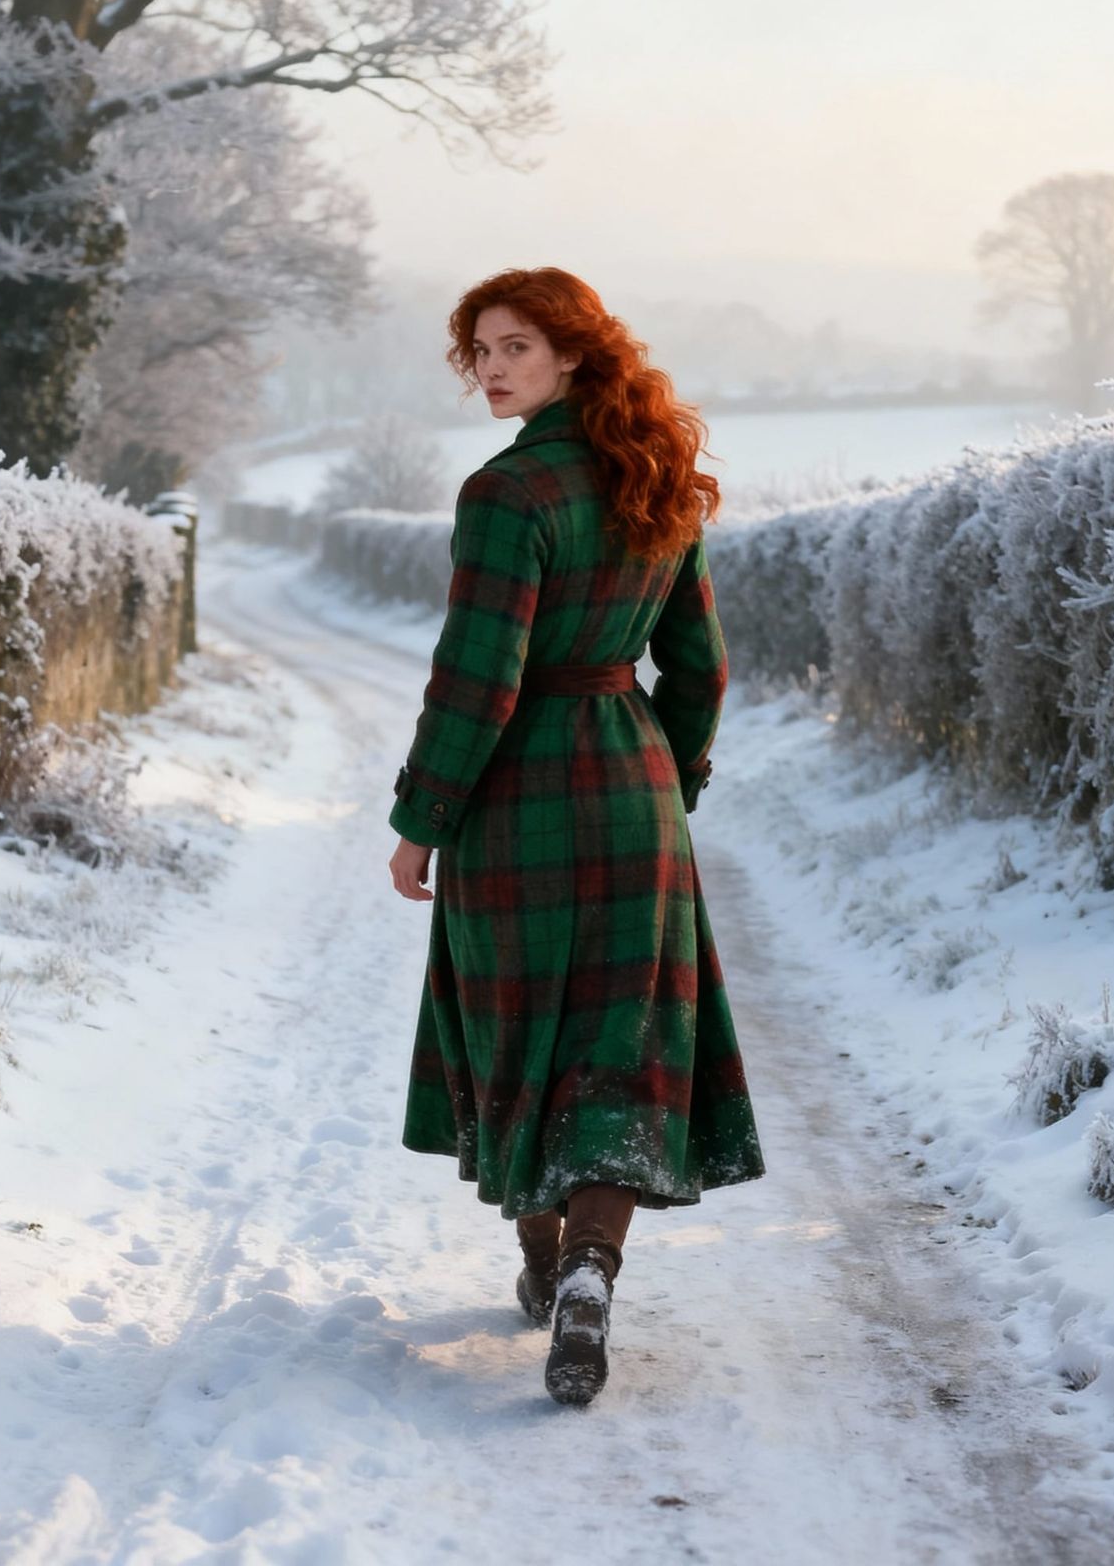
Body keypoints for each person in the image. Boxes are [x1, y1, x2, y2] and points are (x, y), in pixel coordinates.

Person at [386, 267, 765, 1407]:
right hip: (633, 781)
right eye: (481, 351)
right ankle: (594, 1262)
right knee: (621, 1037)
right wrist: (669, 778)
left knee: (519, 1028)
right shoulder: (658, 479)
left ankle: (551, 1262)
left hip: (520, 795)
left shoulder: (506, 493)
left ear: (570, 355)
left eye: (516, 348)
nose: (492, 369)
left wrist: (421, 820)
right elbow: (699, 669)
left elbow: (478, 678)